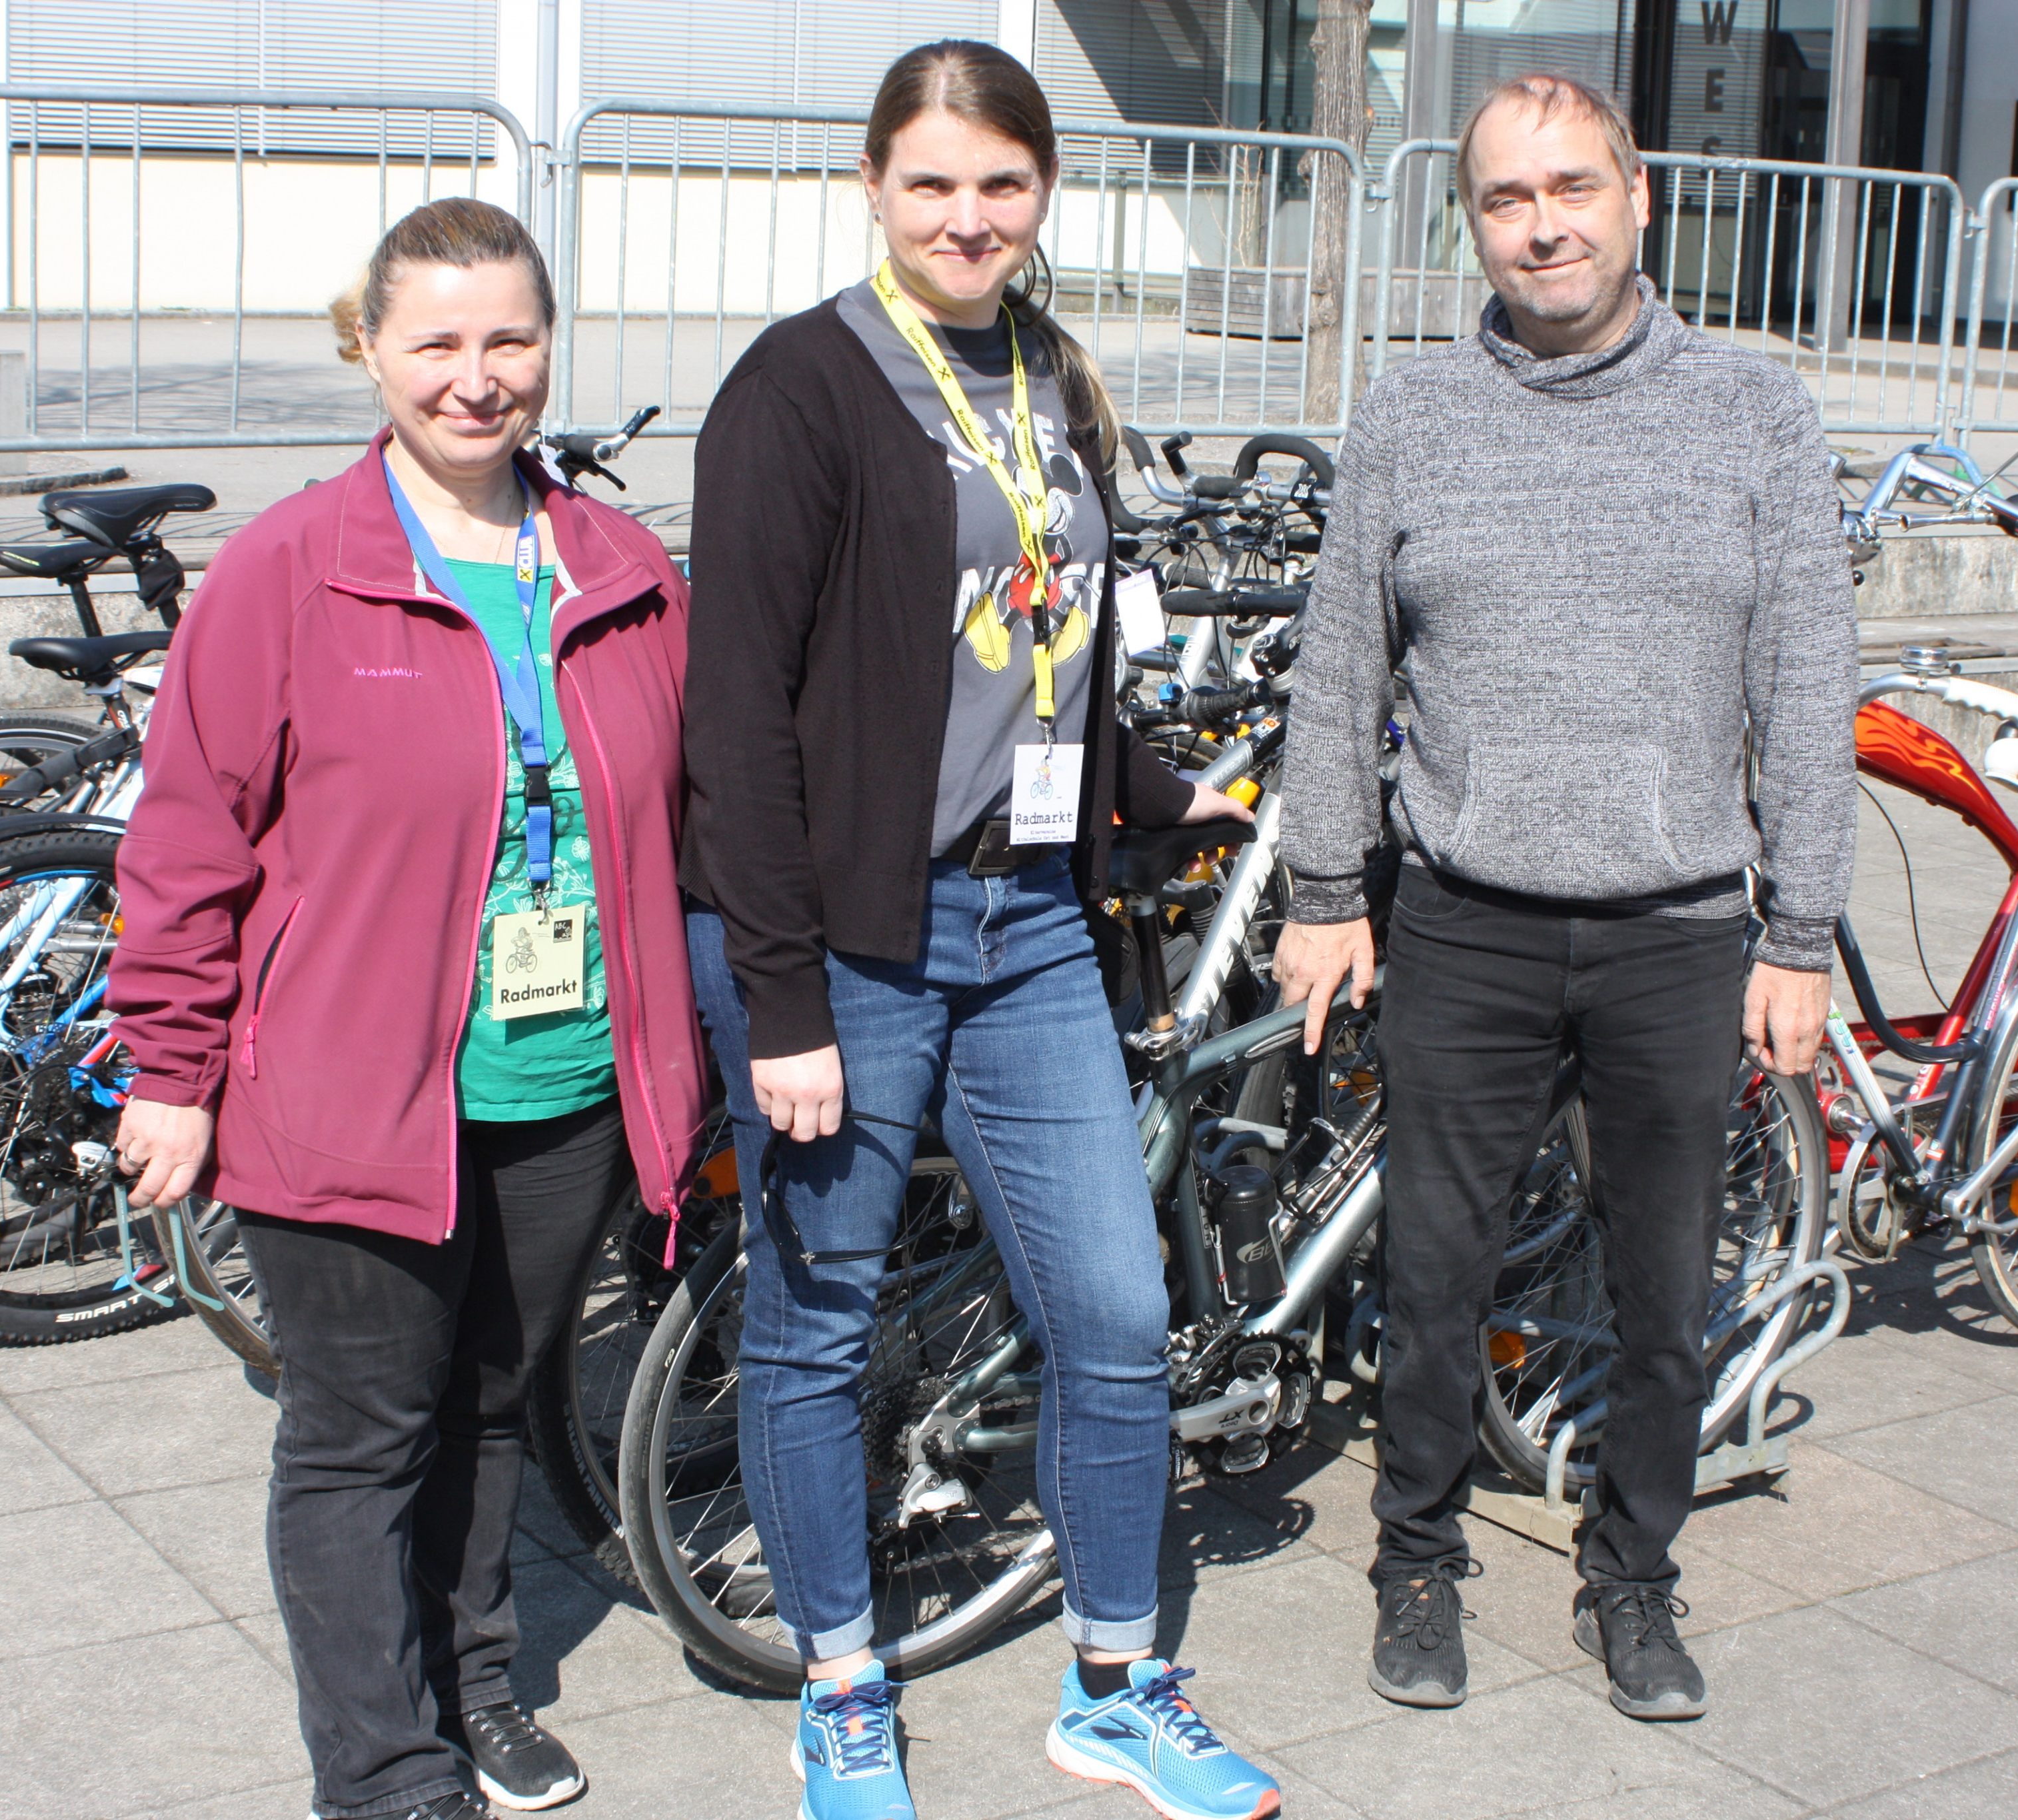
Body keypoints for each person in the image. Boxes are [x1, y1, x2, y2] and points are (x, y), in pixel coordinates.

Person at [682, 38, 1280, 1820]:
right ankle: (842, 1689)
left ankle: (1113, 1684)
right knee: (814, 1323)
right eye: (933, 182)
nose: (967, 217)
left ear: (1042, 193)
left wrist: (1163, 795)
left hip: (1029, 926)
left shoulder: (1056, 374)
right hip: (850, 940)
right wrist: (780, 997)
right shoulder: (799, 388)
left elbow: (1055, 649)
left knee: (1110, 1309)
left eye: (1000, 185)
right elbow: (738, 721)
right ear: (877, 184)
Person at [107, 198, 707, 1820]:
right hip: (351, 1090)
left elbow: (695, 812)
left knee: (499, 1405)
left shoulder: (618, 563)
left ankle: (476, 1679)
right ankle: (385, 1774)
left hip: (563, 1080)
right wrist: (169, 1065)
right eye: (435, 340)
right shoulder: (290, 571)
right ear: (367, 346)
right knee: (362, 1436)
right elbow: (186, 840)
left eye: (508, 337)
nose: (476, 376)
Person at [1276, 74, 1855, 1723]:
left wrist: (1801, 928)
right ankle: (1415, 1562)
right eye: (1507, 198)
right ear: (1472, 222)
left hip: (1681, 932)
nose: (1544, 222)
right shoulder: (1413, 413)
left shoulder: (1756, 410)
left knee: (1667, 1292)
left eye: (1574, 187)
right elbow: (1341, 667)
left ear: (1638, 195)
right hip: (1468, 918)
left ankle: (1634, 1580)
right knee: (1436, 1278)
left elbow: (1808, 682)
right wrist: (1328, 883)